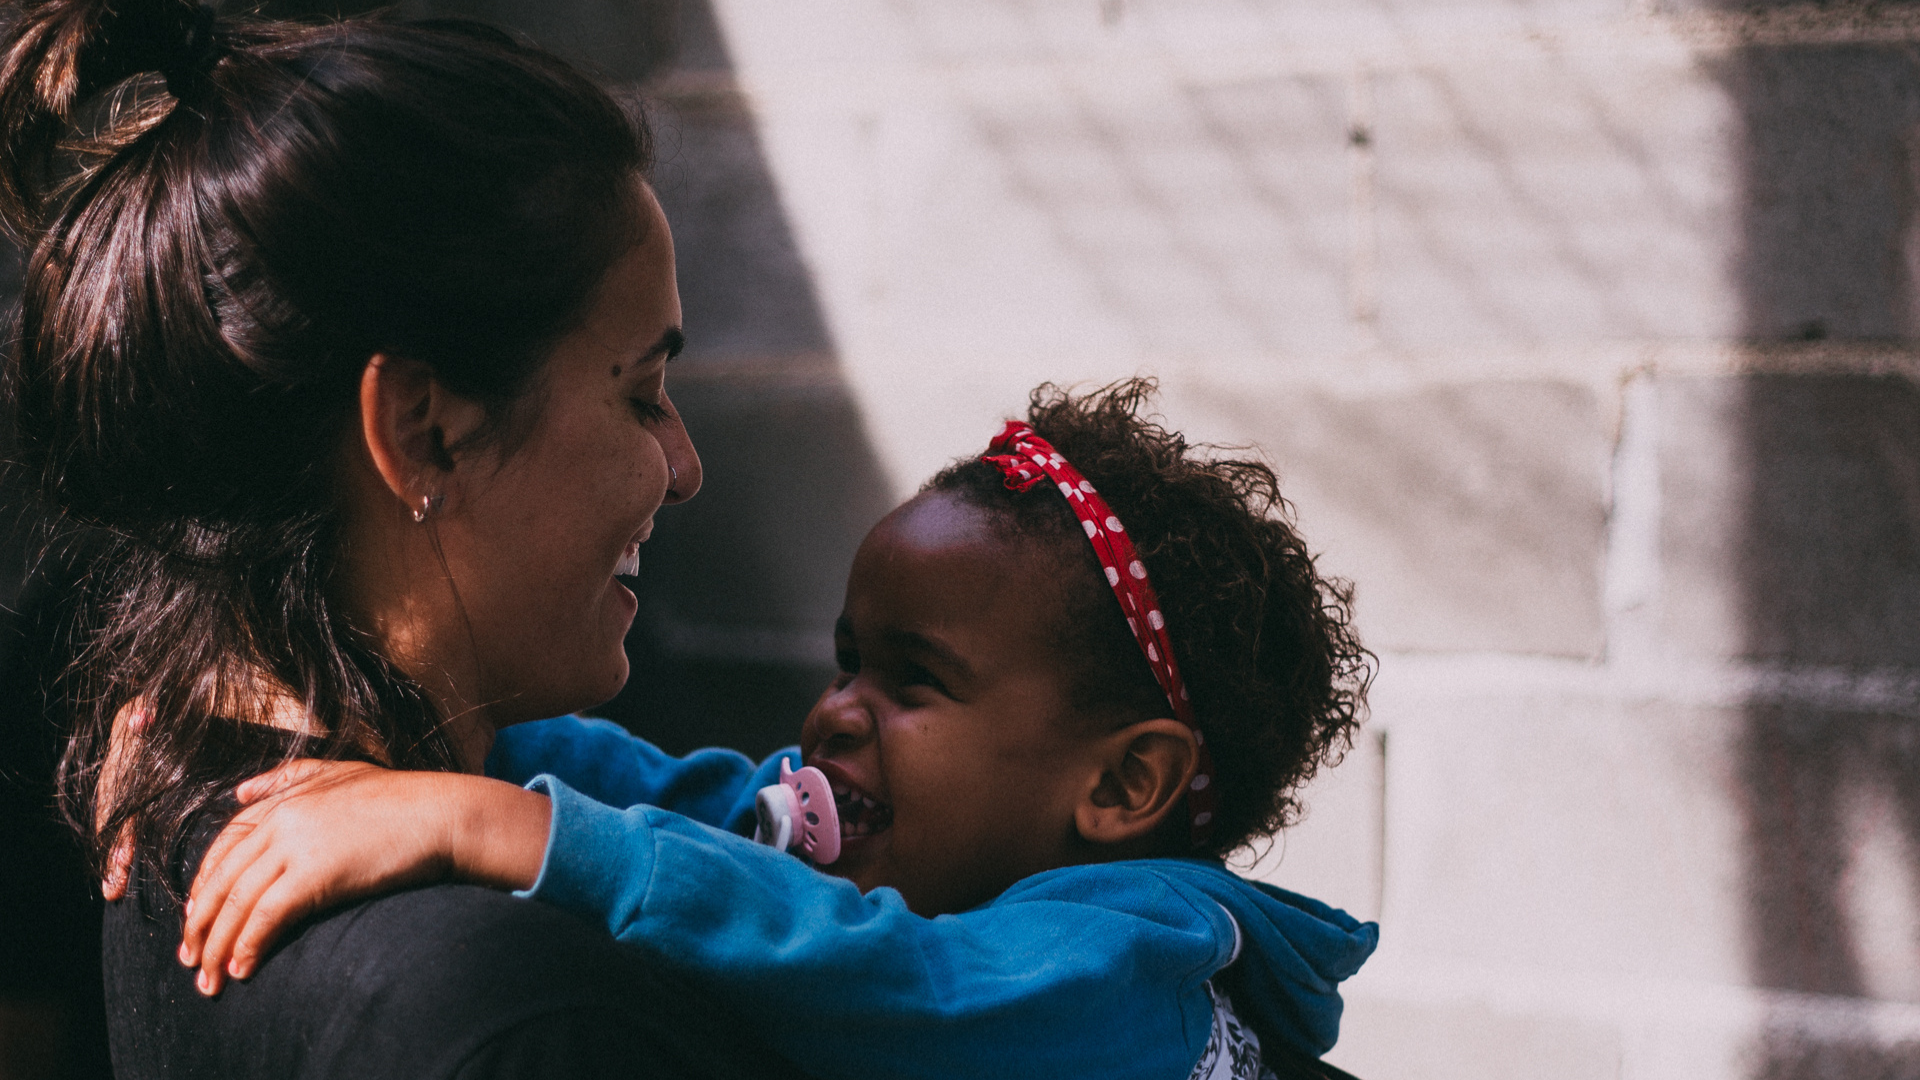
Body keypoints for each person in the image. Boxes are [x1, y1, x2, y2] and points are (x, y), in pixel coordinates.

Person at [0, 1, 804, 1076]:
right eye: (643, 393)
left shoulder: (180, 813)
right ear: (421, 432)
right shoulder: (516, 1011)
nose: (685, 467)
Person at [177, 382, 1380, 1080]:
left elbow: (888, 971)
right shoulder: (927, 855)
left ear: (1122, 787)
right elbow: (708, 807)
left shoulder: (1125, 973)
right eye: (850, 659)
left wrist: (502, 831)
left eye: (916, 683)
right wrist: (427, 744)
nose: (836, 711)